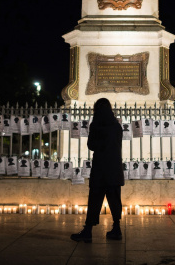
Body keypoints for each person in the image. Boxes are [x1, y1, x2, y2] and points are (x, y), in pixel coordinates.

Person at [71, 98, 124, 243]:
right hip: (114, 168)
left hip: (100, 168)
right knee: (114, 200)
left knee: (94, 200)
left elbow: (91, 145)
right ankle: (117, 229)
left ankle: (88, 231)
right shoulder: (117, 126)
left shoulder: (96, 125)